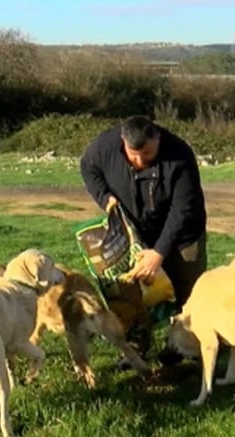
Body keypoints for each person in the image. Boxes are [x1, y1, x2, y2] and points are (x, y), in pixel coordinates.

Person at [80, 115, 207, 311]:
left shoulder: (180, 155)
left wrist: (158, 253)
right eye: (133, 154)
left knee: (190, 297)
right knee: (141, 297)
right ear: (123, 141)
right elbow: (87, 167)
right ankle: (147, 328)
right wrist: (104, 197)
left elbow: (183, 209)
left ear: (157, 139)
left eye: (147, 153)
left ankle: (188, 326)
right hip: (137, 236)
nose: (140, 161)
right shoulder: (105, 146)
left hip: (183, 237)